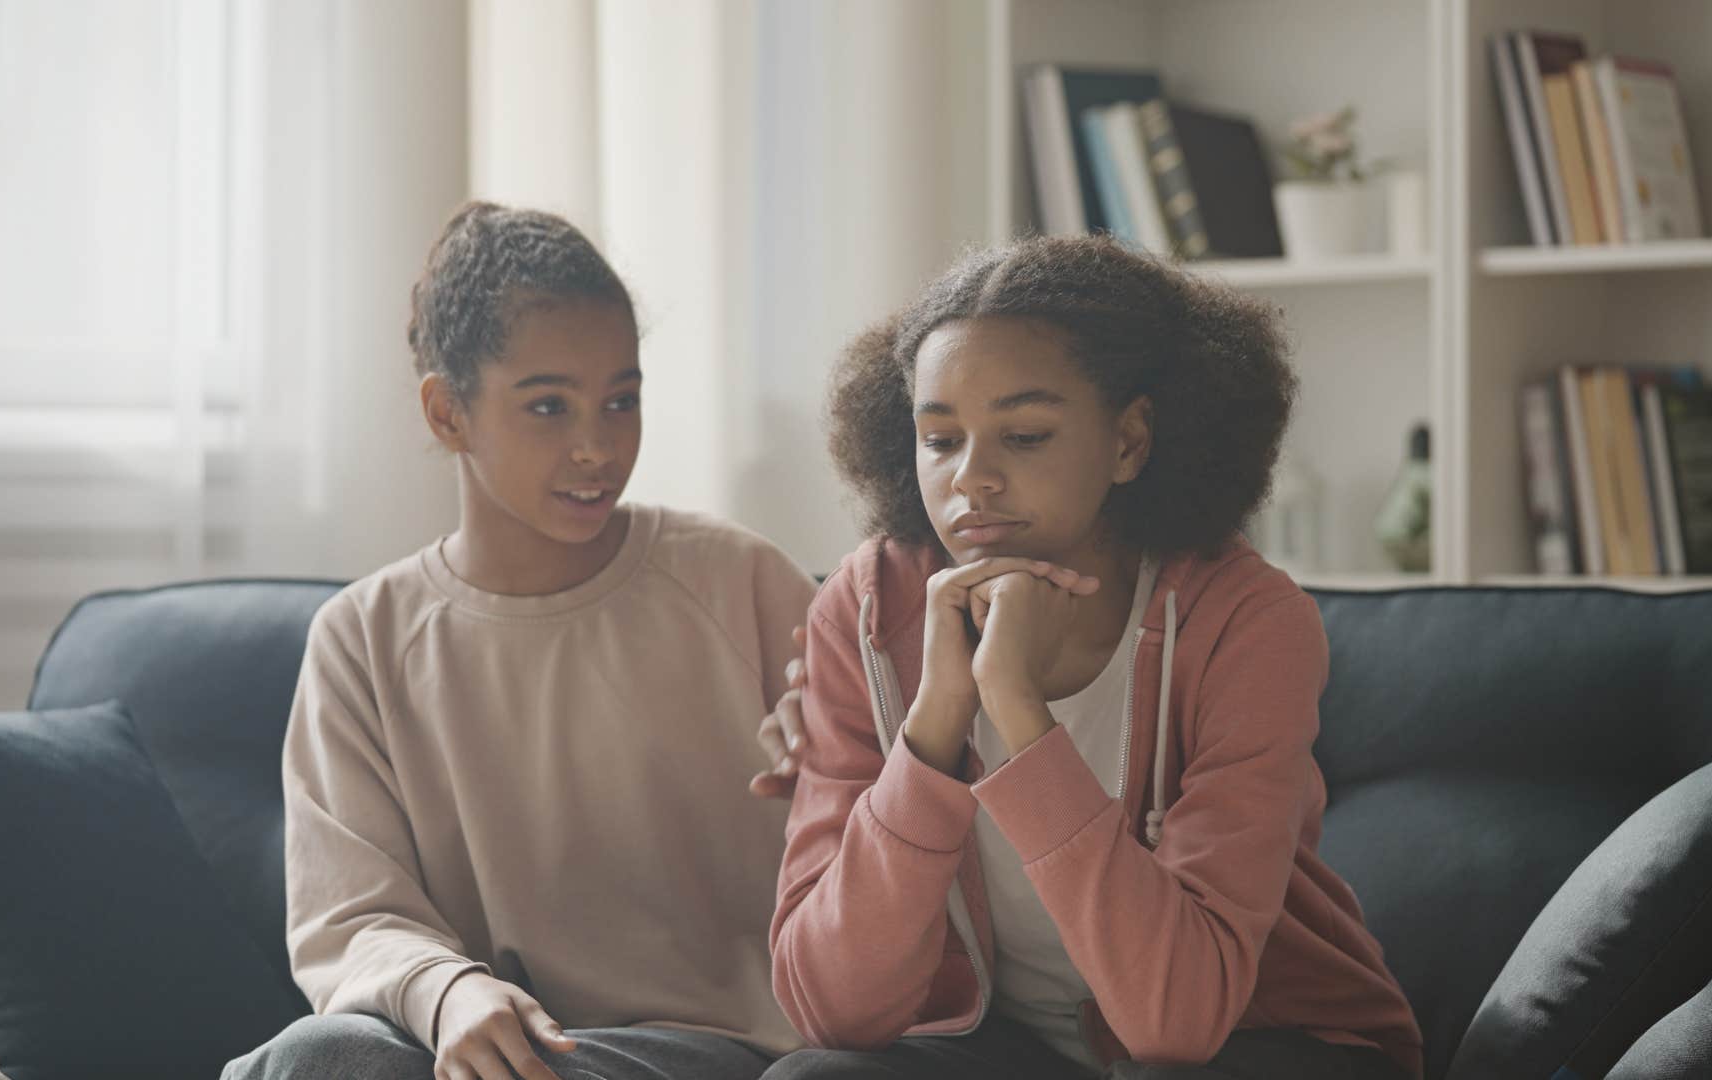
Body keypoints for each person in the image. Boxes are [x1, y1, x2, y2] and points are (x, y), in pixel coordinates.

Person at [764, 235, 1424, 1079]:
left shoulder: (1247, 621)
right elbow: (832, 1009)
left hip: (1260, 1043)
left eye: (1026, 435)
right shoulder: (865, 611)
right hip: (1009, 1045)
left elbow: (1176, 1021)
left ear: (1130, 441)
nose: (972, 479)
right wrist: (934, 724)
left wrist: (1017, 710)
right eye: (940, 439)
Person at [224, 203, 815, 1080]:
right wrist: (448, 991)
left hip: (725, 1051)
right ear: (446, 414)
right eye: (548, 406)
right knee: (317, 1059)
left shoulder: (739, 580)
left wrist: (848, 760)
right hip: (505, 1045)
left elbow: (899, 815)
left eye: (622, 400)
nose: (597, 446)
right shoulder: (362, 642)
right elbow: (348, 916)